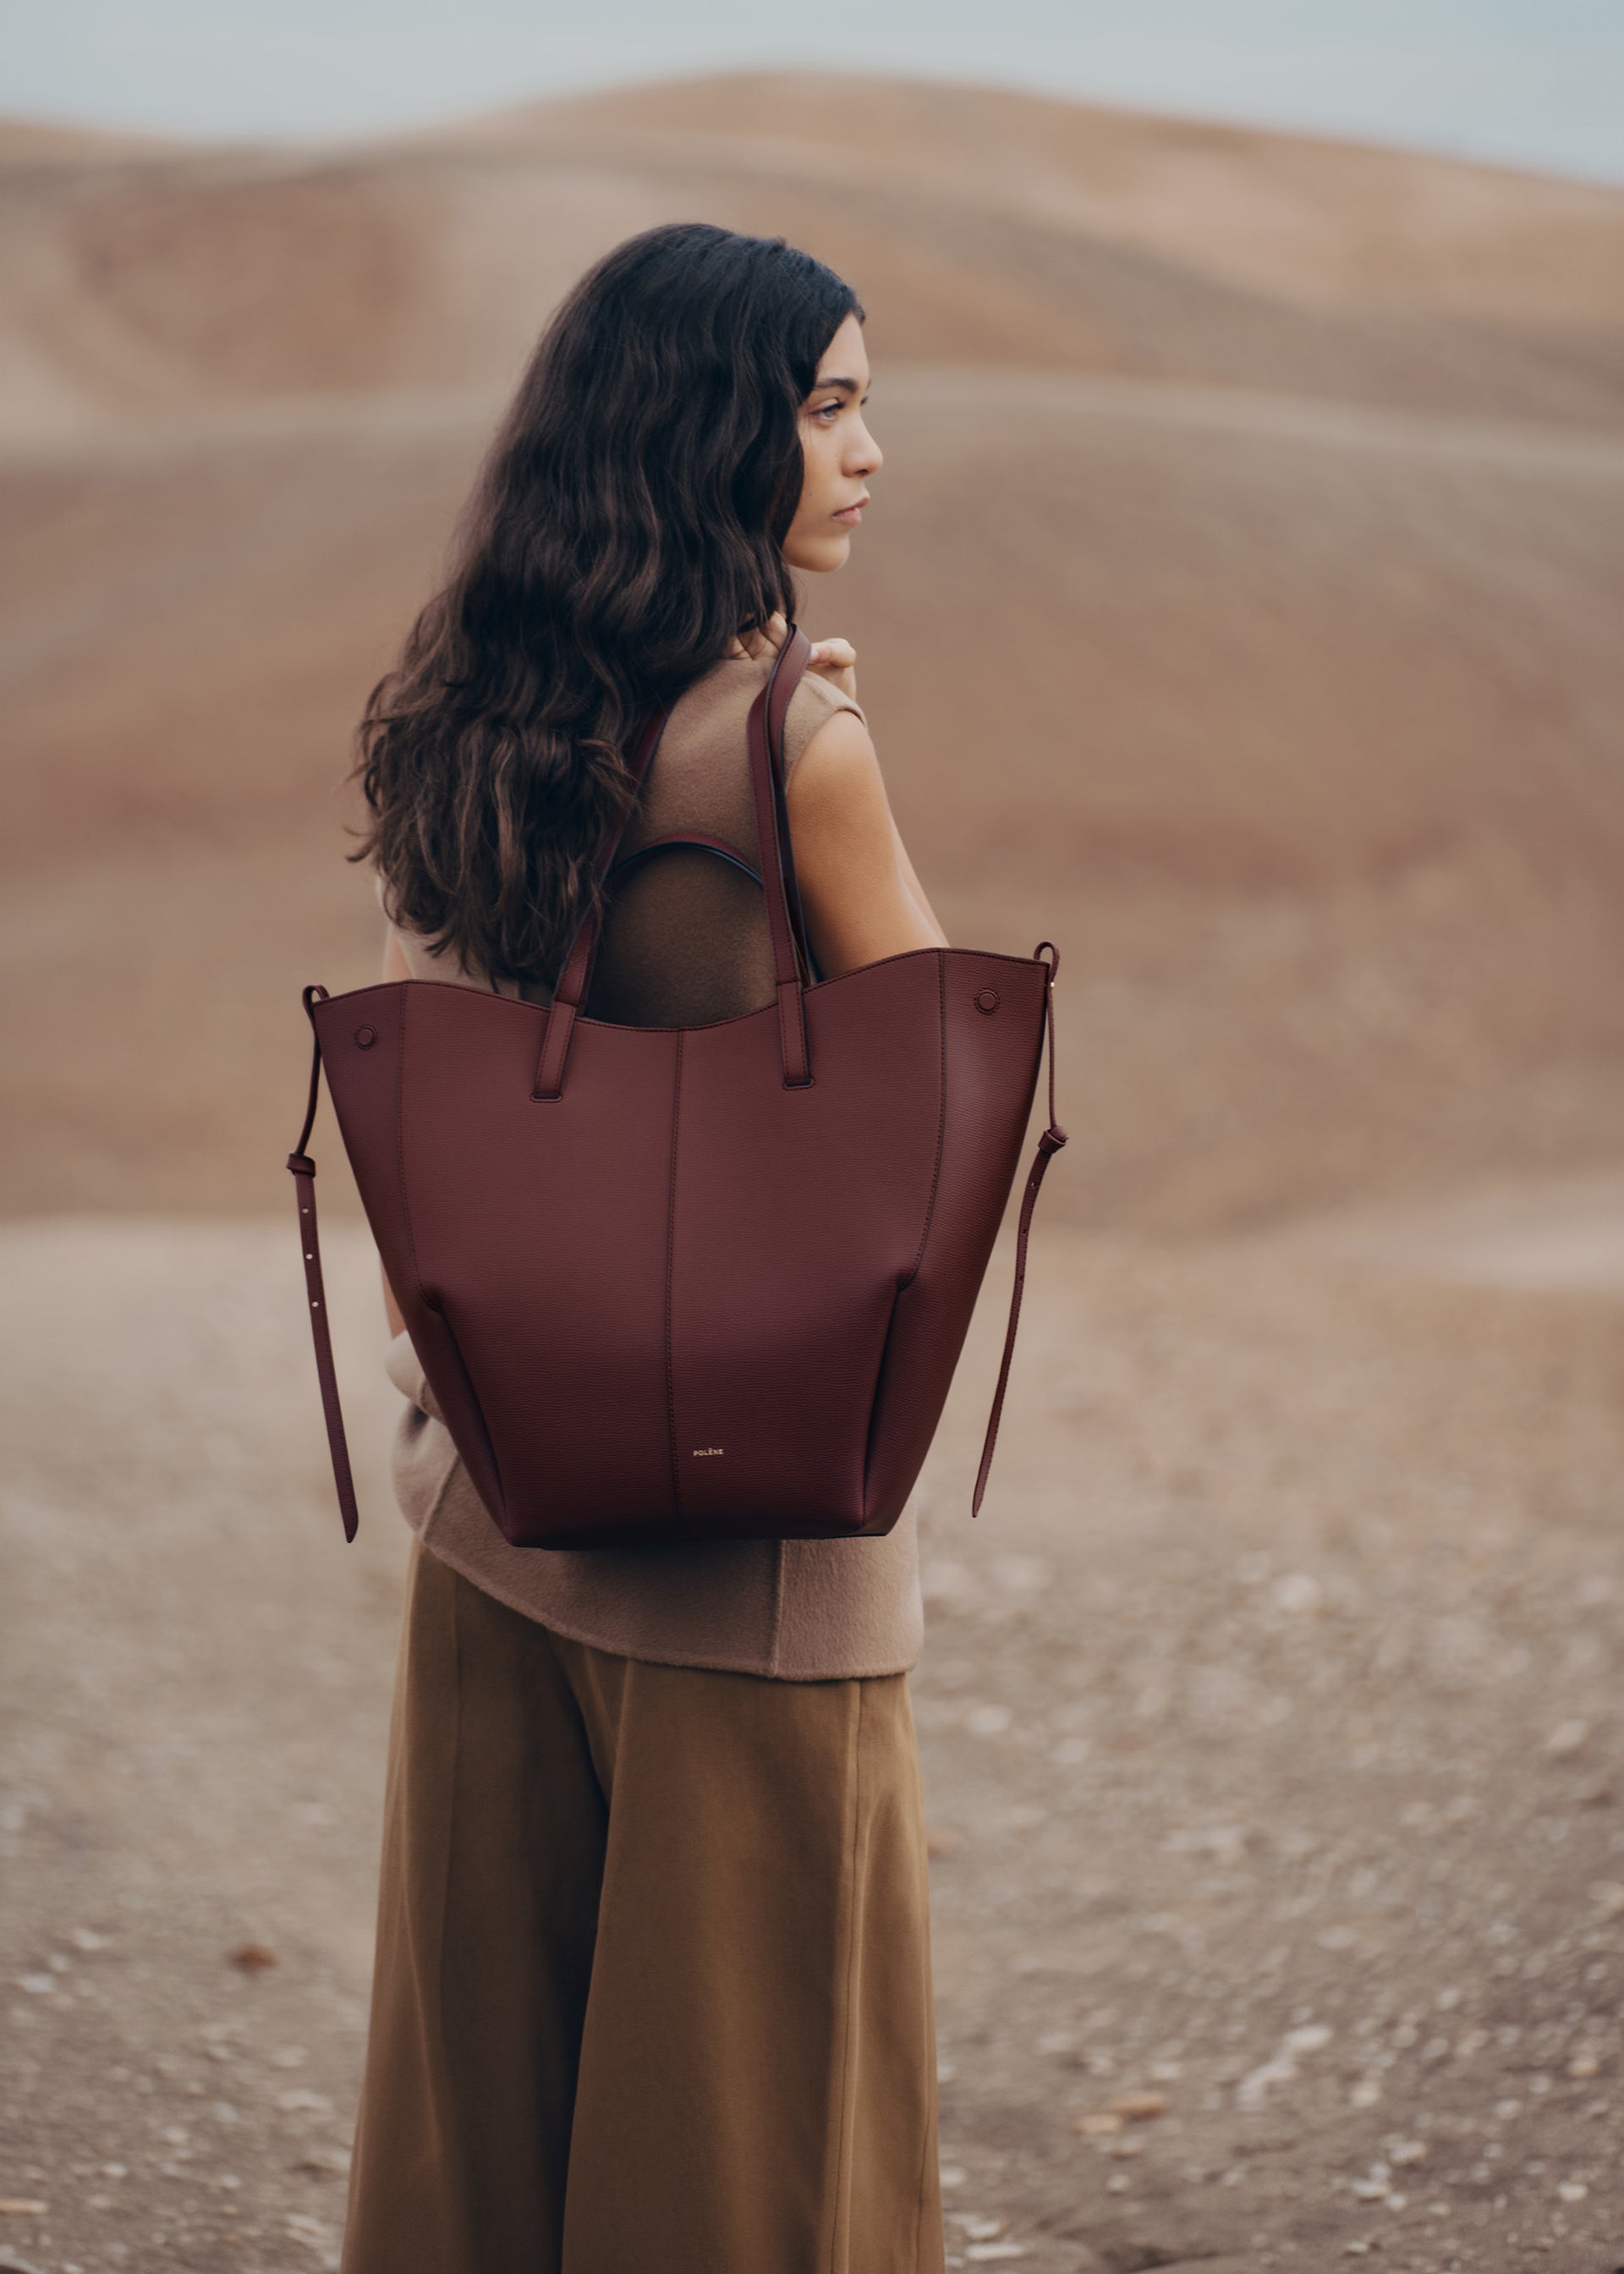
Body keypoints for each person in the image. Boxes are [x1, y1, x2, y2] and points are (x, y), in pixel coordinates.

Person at [341, 222, 950, 2274]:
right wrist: (811, 757)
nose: (871, 452)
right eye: (832, 407)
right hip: (747, 1563)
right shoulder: (795, 752)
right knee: (754, 2166)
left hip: (495, 1516)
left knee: (482, 2140)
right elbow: (951, 1106)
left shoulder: (474, 728)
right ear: (717, 434)